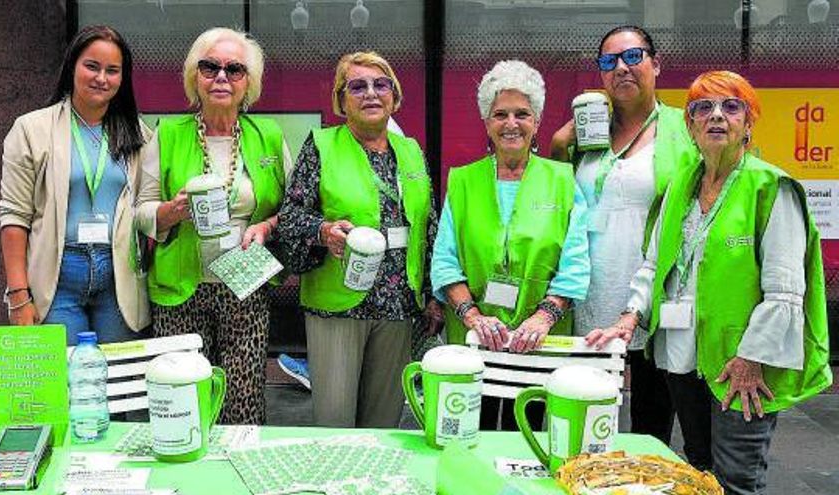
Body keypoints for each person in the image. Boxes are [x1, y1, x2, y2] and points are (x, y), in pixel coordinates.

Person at [587, 71, 832, 494]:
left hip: (741, 367)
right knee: (699, 470)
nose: (717, 116)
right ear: (691, 127)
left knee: (737, 478)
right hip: (681, 359)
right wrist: (630, 317)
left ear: (748, 123)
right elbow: (653, 265)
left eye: (731, 107)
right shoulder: (679, 186)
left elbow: (785, 291)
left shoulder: (771, 189)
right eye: (704, 108)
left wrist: (751, 359)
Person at [135, 27, 293, 425]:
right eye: (210, 67)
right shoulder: (168, 135)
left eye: (234, 69)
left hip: (246, 285)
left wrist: (266, 228)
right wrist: (171, 211)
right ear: (195, 77)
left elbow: (294, 209)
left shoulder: (268, 137)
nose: (221, 77)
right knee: (186, 400)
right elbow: (140, 211)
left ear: (248, 83)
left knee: (243, 401)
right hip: (180, 290)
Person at [550, 25, 699, 445]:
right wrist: (561, 144)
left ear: (656, 64)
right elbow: (557, 198)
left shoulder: (684, 128)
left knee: (651, 425)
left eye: (633, 57)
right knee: (587, 422)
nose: (621, 68)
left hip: (654, 294)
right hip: (591, 293)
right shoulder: (588, 129)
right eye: (609, 61)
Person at [277, 51, 442, 428]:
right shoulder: (321, 145)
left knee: (383, 423)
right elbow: (290, 216)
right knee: (335, 423)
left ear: (395, 97)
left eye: (380, 85)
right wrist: (323, 231)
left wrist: (432, 295)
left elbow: (427, 224)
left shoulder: (411, 151)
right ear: (341, 100)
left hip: (399, 306)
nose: (371, 94)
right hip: (338, 306)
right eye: (358, 86)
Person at [431, 60, 590, 430]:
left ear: (537, 121)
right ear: (487, 122)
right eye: (500, 114)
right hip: (475, 341)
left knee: (531, 439)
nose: (511, 123)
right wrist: (473, 316)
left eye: (522, 113)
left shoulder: (562, 180)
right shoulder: (464, 181)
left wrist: (543, 317)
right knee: (474, 435)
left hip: (540, 341)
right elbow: (445, 261)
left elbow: (576, 262)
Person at [0, 25, 150, 345]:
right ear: (72, 67)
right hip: (58, 274)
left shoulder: (138, 134)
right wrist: (18, 295)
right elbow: (14, 216)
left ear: (123, 78)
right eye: (92, 66)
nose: (101, 78)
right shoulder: (31, 129)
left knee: (117, 379)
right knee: (64, 382)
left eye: (113, 70)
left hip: (118, 274)